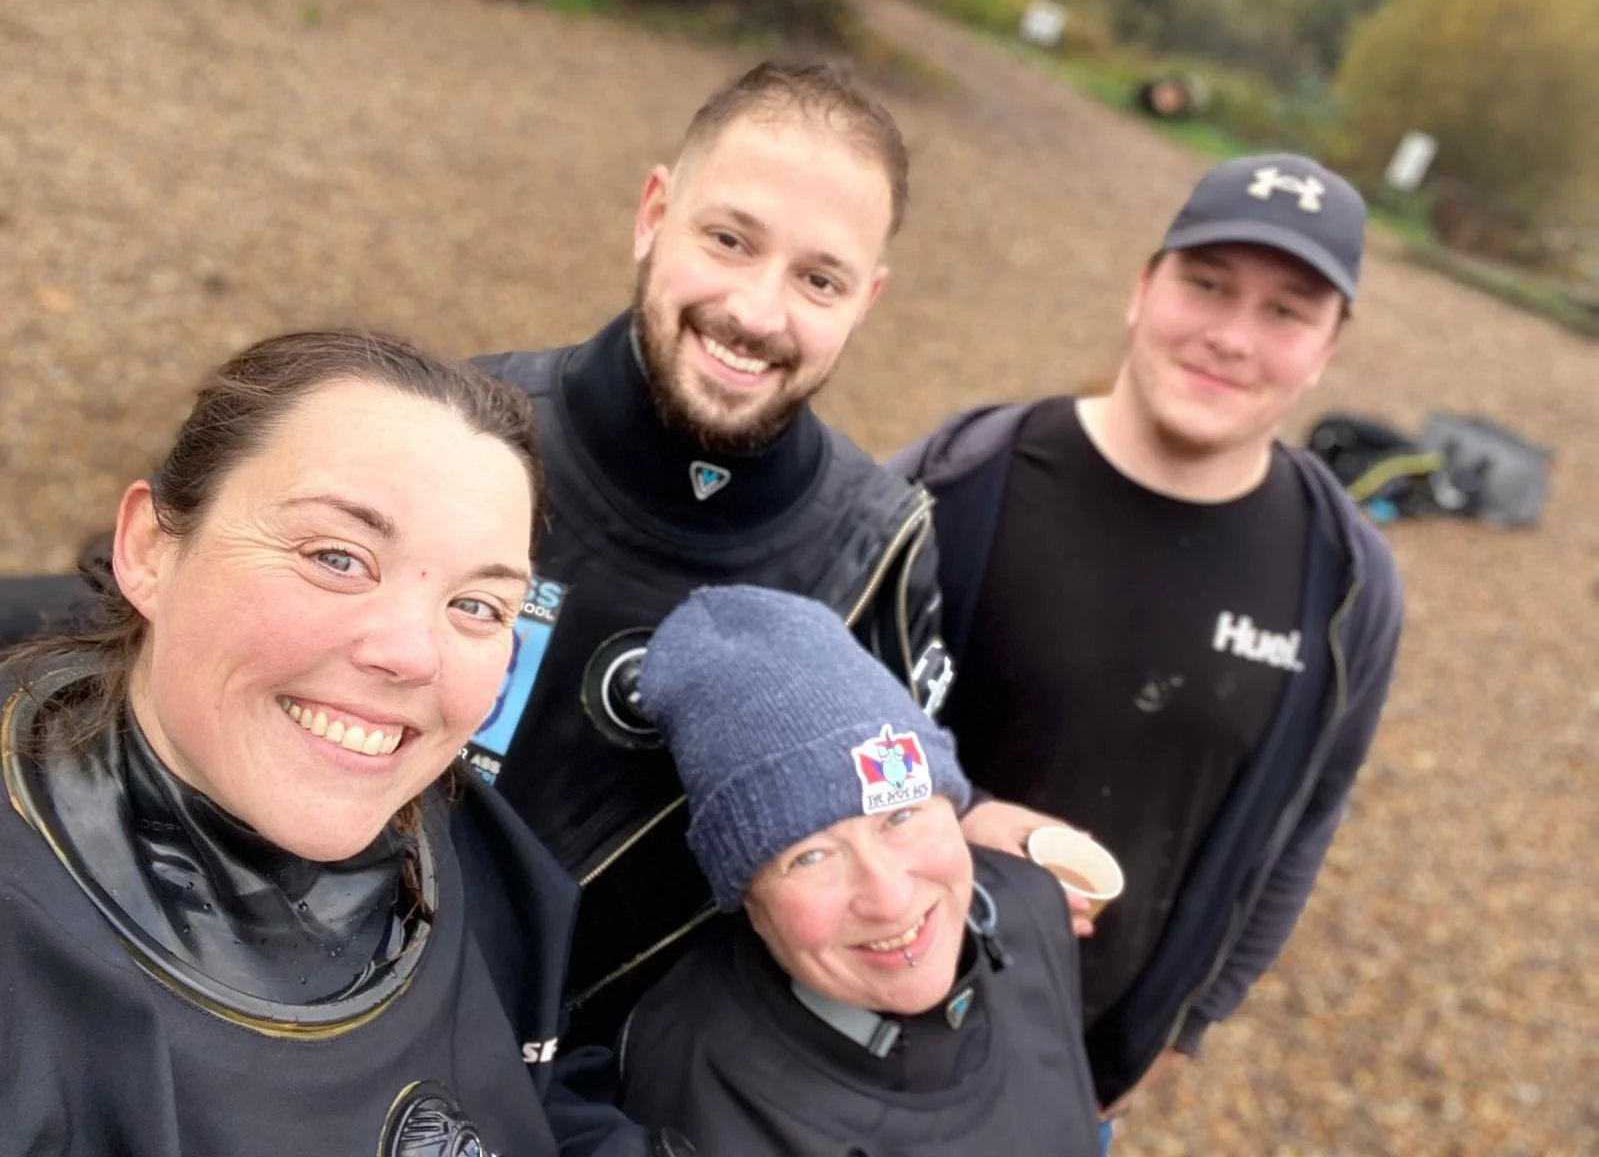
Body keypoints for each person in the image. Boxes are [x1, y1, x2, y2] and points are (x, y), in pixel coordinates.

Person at [0, 61, 951, 1048]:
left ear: (867, 299)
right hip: (292, 1011)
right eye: (728, 240)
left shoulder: (881, 549)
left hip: (588, 1081)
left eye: (819, 279)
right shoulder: (462, 439)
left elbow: (895, 835)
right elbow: (147, 631)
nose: (755, 311)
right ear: (653, 213)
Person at [0, 332, 676, 1156]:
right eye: (338, 558)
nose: (413, 654)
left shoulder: (480, 857)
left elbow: (531, 1088)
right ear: (149, 548)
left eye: (476, 605)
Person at [889, 154, 1405, 1136]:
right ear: (1142, 288)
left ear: (1327, 350)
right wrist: (956, 815)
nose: (1232, 337)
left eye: (1285, 311)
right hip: (839, 1037)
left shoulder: (1347, 585)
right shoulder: (961, 481)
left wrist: (1179, 1035)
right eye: (1206, 284)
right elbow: (815, 719)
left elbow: (1304, 825)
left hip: (1069, 1095)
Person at [618, 585, 1101, 1156]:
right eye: (810, 856)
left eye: (900, 816)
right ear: (749, 900)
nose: (889, 898)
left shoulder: (1031, 902)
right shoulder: (700, 1093)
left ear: (953, 807)